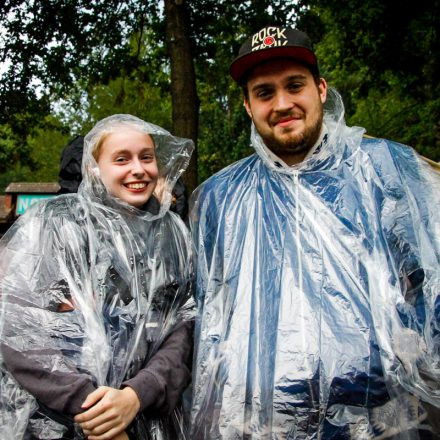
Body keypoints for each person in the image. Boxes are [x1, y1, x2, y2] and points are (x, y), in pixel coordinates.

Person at [189, 26, 440, 439]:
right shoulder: (221, 197)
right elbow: (210, 315)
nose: (282, 104)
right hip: (265, 422)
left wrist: (401, 361)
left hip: (380, 417)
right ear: (248, 107)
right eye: (265, 93)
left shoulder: (387, 170)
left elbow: (429, 285)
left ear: (321, 89)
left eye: (294, 86)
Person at [0, 114, 195, 439]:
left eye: (146, 157)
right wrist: (96, 411)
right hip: (56, 423)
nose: (138, 169)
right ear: (94, 166)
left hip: (148, 419)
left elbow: (182, 328)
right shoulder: (55, 225)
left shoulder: (171, 234)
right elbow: (18, 328)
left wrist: (135, 395)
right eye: (122, 158)